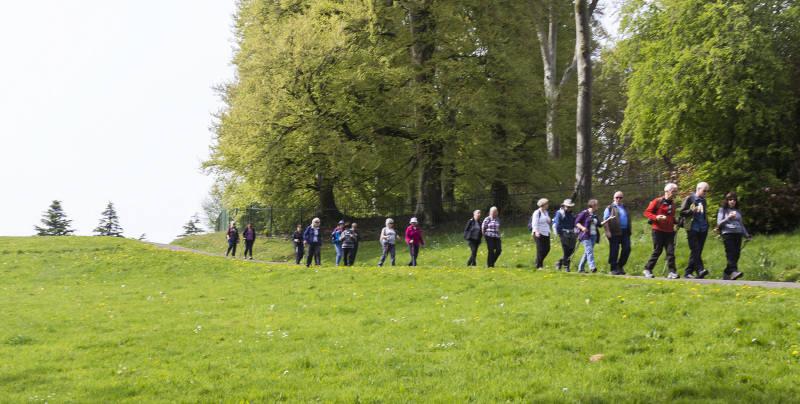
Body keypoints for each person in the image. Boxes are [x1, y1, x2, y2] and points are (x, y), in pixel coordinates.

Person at [643, 183, 680, 279]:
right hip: (658, 230)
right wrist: (656, 217)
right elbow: (647, 212)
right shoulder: (657, 201)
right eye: (673, 191)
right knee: (658, 250)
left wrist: (676, 221)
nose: (674, 193)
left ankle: (672, 272)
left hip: (670, 231)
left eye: (676, 191)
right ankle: (648, 269)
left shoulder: (673, 204)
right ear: (666, 191)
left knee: (670, 251)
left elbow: (671, 217)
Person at [716, 192, 751, 280]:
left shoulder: (738, 210)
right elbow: (719, 223)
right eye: (730, 199)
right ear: (727, 200)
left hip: (738, 234)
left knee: (736, 254)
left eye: (734, 200)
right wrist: (729, 217)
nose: (733, 201)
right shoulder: (722, 210)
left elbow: (741, 224)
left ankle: (727, 272)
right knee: (730, 253)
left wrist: (747, 235)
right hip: (728, 233)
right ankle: (733, 272)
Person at [680, 182, 710, 279]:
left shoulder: (704, 201)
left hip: (703, 228)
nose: (706, 193)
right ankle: (700, 270)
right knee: (695, 249)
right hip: (692, 228)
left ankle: (688, 272)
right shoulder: (690, 199)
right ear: (698, 189)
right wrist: (692, 211)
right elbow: (682, 212)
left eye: (707, 191)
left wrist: (707, 224)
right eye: (704, 190)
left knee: (697, 251)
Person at [575, 199, 614, 273]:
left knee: (587, 252)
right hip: (585, 236)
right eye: (597, 204)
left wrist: (608, 219)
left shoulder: (595, 215)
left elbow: (599, 225)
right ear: (593, 205)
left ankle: (581, 268)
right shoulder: (584, 213)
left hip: (593, 236)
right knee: (589, 251)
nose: (598, 206)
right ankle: (592, 267)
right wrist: (583, 228)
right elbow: (577, 222)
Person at [604, 191, 631, 275]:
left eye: (620, 197)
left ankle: (620, 265)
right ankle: (613, 268)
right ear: (613, 198)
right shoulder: (610, 208)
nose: (619, 199)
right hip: (614, 231)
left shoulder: (625, 207)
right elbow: (605, 221)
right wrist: (608, 231)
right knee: (614, 250)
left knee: (627, 248)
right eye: (617, 197)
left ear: (623, 198)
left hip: (625, 231)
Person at [553, 199, 577, 272]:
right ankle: (567, 266)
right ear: (564, 206)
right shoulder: (560, 213)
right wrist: (561, 233)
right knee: (566, 249)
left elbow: (574, 222)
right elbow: (558, 224)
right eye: (568, 206)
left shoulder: (572, 213)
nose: (569, 208)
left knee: (572, 249)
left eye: (570, 206)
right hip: (564, 232)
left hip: (572, 232)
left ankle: (560, 262)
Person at [530, 198, 551, 269]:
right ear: (543, 204)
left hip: (546, 232)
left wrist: (548, 221)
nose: (548, 205)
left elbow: (548, 220)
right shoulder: (537, 212)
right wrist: (536, 231)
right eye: (547, 203)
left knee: (547, 249)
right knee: (540, 249)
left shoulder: (546, 212)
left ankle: (538, 260)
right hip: (539, 232)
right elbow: (534, 223)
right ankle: (539, 266)